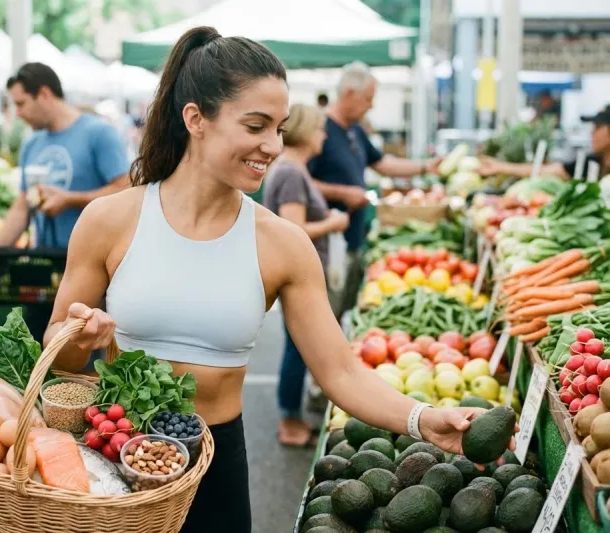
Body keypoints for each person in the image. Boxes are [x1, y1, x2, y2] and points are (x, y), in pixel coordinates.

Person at [40, 27, 509, 533]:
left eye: (280, 128)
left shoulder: (282, 243)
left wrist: (422, 419)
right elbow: (58, 352)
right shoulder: (109, 220)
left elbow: (340, 372)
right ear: (195, 119)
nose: (273, 146)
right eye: (256, 126)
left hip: (216, 471)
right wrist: (78, 337)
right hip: (115, 460)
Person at [0, 62, 129, 349]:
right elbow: (22, 207)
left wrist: (69, 199)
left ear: (44, 94)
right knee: (39, 350)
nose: (18, 113)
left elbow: (126, 189)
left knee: (80, 353)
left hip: (91, 270)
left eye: (21, 104)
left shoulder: (98, 134)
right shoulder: (32, 145)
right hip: (43, 270)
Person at [309, 61, 442, 314]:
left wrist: (426, 167)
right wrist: (342, 193)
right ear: (350, 93)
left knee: (342, 314)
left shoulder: (356, 131)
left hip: (353, 239)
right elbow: (300, 179)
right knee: (321, 317)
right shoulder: (319, 130)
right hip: (326, 246)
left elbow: (383, 164)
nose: (371, 105)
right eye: (368, 98)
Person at [262, 103, 349, 447]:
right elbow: (294, 228)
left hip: (300, 274)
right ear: (306, 131)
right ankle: (289, 421)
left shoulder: (293, 170)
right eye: (320, 128)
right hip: (296, 275)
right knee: (298, 349)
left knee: (298, 347)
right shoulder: (291, 174)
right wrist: (333, 222)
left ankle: (293, 417)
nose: (324, 135)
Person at [478, 104, 610, 179]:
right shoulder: (590, 162)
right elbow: (546, 171)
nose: (591, 133)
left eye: (598, 127)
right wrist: (501, 167)